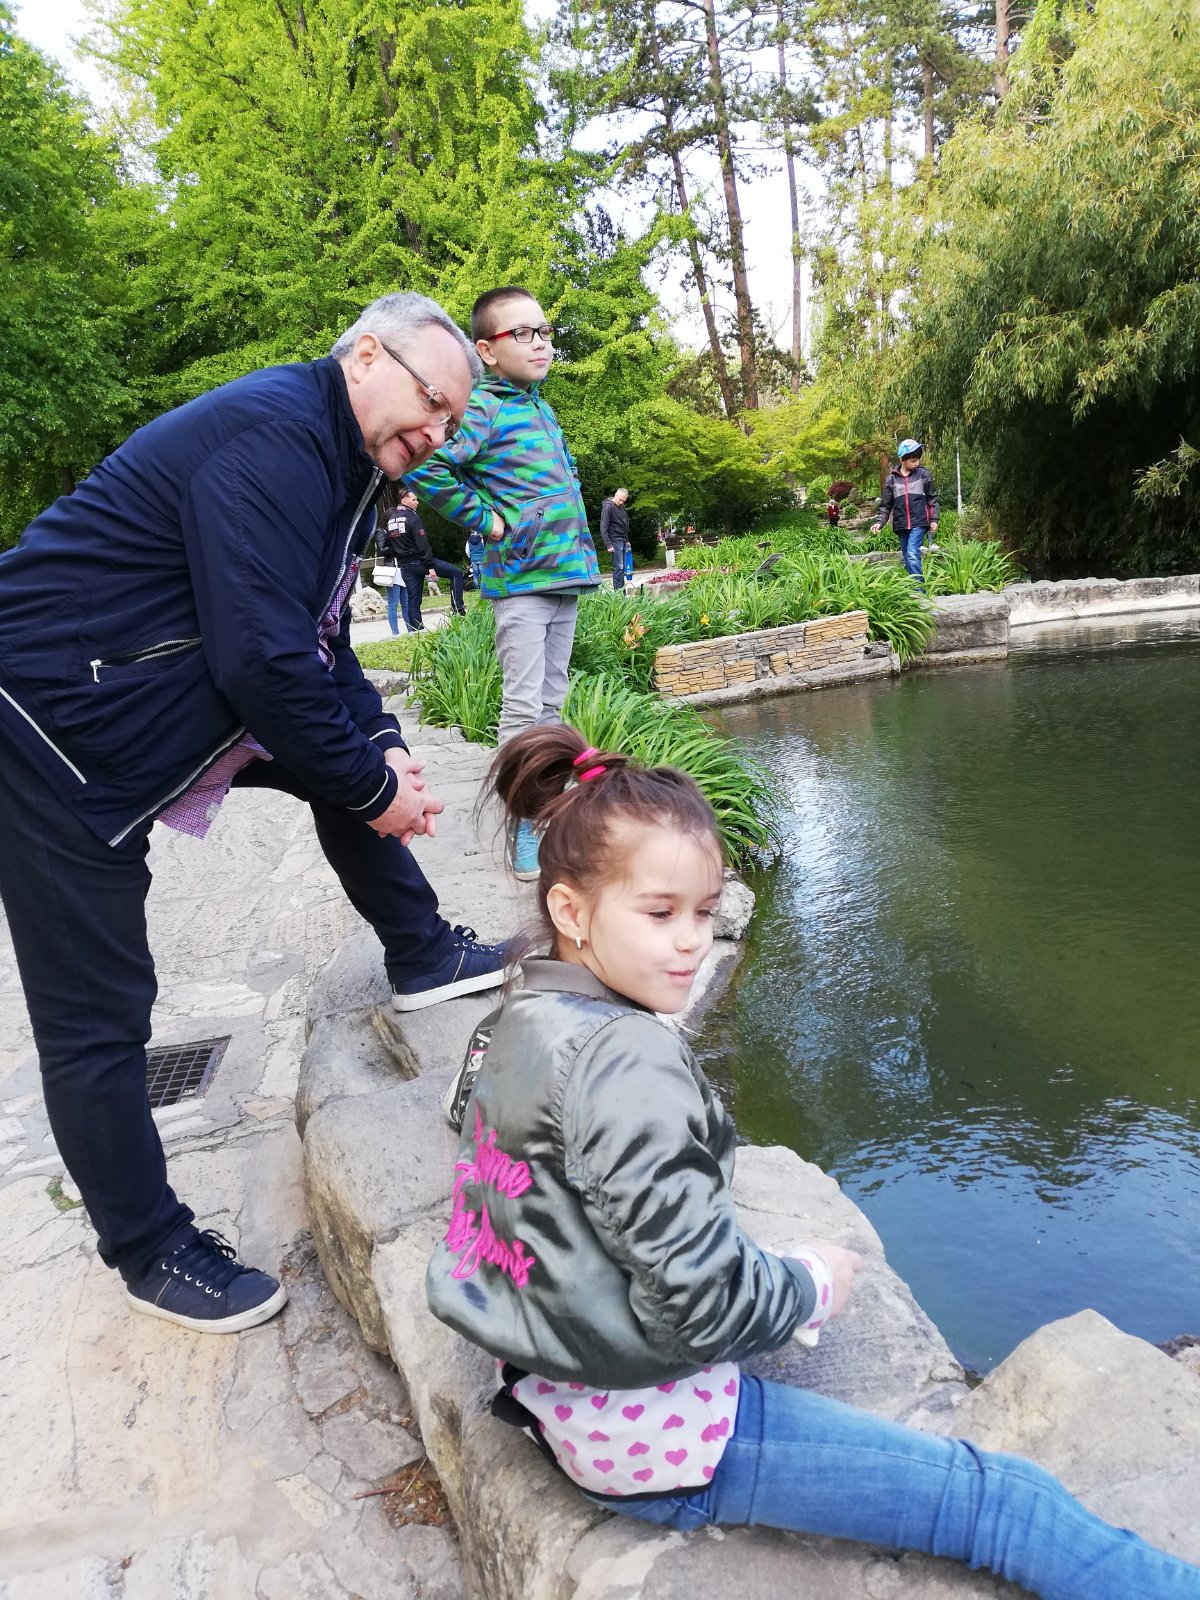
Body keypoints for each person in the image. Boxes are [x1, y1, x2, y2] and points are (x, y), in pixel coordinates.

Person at [425, 722, 1200, 1600]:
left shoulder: (521, 1013)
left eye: (704, 913)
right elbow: (702, 1305)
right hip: (647, 1436)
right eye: (659, 913)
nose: (692, 942)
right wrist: (807, 1286)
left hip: (546, 1382)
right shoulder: (626, 1059)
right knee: (999, 1503)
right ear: (572, 912)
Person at [0, 291, 511, 1336]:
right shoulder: (275, 438)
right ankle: (149, 1248)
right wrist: (376, 789)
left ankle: (421, 952)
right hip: (43, 724)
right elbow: (264, 665)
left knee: (337, 758)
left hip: (145, 703)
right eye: (432, 402)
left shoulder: (345, 464)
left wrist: (380, 747)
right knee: (97, 1010)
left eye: (454, 420)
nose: (440, 432)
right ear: (365, 356)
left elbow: (321, 642)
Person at [404, 286, 600, 884]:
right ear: (487, 350)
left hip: (563, 575)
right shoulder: (485, 406)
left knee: (552, 702)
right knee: (523, 706)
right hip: (521, 581)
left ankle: (548, 812)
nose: (540, 343)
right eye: (523, 333)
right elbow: (426, 464)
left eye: (544, 331)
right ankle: (521, 824)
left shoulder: (538, 406)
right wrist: (487, 520)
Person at [386, 487, 465, 629]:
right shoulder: (412, 517)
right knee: (456, 574)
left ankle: (417, 631)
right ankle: (458, 612)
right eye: (414, 500)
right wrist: (430, 566)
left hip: (405, 565)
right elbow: (422, 544)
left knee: (413, 601)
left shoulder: (391, 519)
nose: (417, 502)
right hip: (420, 561)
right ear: (404, 501)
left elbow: (390, 544)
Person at [876, 439, 938, 579]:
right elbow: (886, 505)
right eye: (913, 460)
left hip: (919, 522)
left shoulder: (923, 474)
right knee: (907, 557)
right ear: (902, 460)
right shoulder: (891, 479)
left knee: (912, 554)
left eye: (918, 460)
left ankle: (919, 590)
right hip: (901, 524)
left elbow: (932, 498)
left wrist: (934, 519)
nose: (917, 463)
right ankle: (912, 586)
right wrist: (879, 523)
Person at [375, 493, 413, 634]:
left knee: (406, 603)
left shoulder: (397, 532)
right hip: (391, 569)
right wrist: (395, 546)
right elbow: (382, 550)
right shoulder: (381, 532)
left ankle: (411, 630)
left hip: (402, 568)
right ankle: (395, 633)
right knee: (393, 603)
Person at [599, 486, 631, 592]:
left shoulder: (621, 506)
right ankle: (619, 594)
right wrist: (608, 544)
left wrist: (627, 540)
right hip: (614, 540)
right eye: (620, 500)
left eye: (624, 501)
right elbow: (603, 527)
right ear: (616, 495)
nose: (621, 502)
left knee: (622, 568)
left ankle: (622, 592)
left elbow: (624, 524)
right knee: (618, 568)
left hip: (622, 539)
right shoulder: (608, 507)